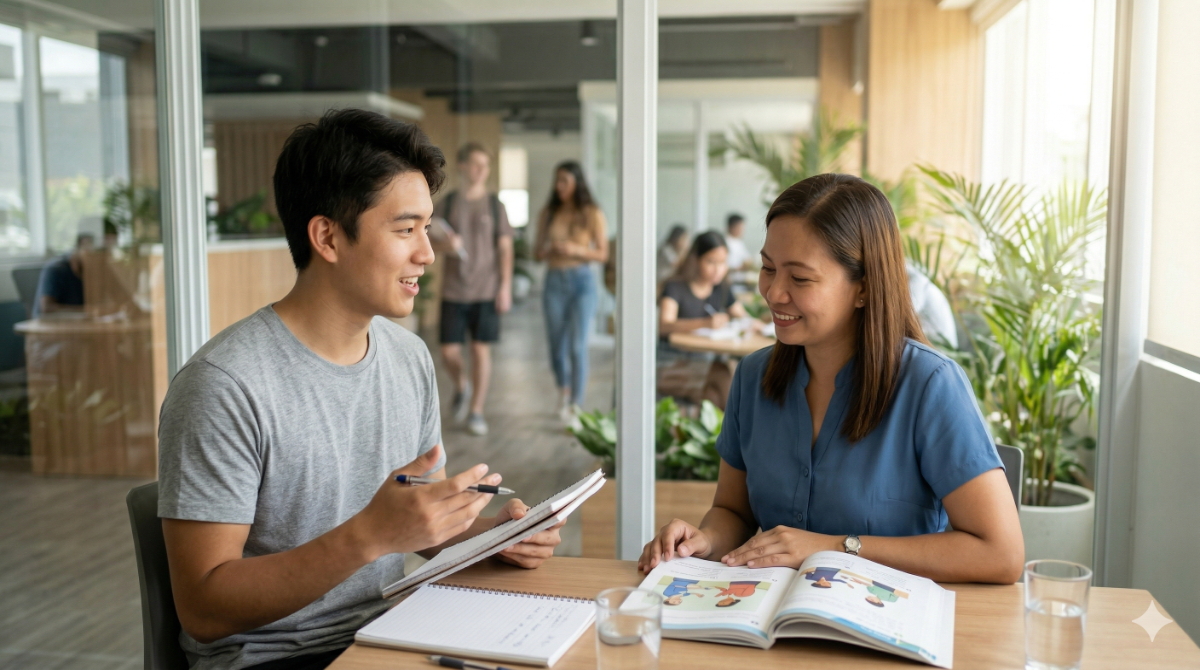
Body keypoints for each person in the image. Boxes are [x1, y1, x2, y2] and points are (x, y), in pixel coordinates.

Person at [157, 110, 562, 670]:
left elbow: (415, 526)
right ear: (327, 236)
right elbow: (203, 606)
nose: (427, 251)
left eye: (427, 227)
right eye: (405, 230)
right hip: (275, 658)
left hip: (388, 635)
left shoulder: (408, 358)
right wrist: (367, 537)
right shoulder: (224, 386)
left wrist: (493, 539)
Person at [638, 174, 1024, 585]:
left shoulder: (930, 386)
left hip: (884, 627)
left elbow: (1000, 553)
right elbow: (734, 511)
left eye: (800, 279)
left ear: (864, 288)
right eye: (768, 268)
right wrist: (705, 539)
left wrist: (834, 547)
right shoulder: (753, 378)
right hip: (769, 627)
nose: (773, 293)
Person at [431, 143, 514, 437]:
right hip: (454, 291)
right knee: (449, 353)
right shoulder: (449, 203)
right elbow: (429, 242)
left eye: (485, 165)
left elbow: (505, 249)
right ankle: (462, 386)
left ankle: (476, 411)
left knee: (480, 350)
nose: (481, 171)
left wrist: (505, 287)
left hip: (487, 290)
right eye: (476, 164)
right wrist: (446, 245)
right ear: (463, 166)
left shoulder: (495, 205)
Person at [533, 160, 608, 423]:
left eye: (564, 181)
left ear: (577, 183)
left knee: (577, 346)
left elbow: (602, 253)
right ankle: (563, 390)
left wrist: (577, 250)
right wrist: (551, 250)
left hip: (582, 283)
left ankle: (576, 406)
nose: (559, 186)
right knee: (556, 347)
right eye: (557, 181)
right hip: (554, 281)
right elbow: (536, 252)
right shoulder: (549, 212)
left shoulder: (592, 212)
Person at [658, 231, 748, 354]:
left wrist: (756, 324)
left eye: (723, 262)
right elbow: (664, 326)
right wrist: (704, 323)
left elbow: (742, 315)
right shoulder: (675, 287)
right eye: (711, 262)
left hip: (707, 357)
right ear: (695, 260)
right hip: (674, 358)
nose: (718, 270)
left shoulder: (722, 287)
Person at [33, 233, 94, 317]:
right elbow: (47, 308)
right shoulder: (56, 269)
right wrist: (87, 310)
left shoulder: (93, 272)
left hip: (76, 325)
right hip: (50, 326)